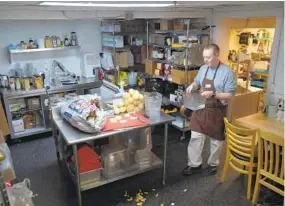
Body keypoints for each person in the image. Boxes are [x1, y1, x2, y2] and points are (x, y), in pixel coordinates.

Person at [182, 44, 236, 176]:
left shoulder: (227, 72)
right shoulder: (203, 69)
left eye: (208, 57)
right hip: (200, 108)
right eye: (204, 57)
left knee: (216, 140)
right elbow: (197, 82)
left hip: (217, 110)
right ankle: (194, 164)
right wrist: (193, 86)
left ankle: (213, 163)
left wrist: (213, 94)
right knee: (195, 136)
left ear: (217, 55)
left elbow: (230, 95)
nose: (205, 60)